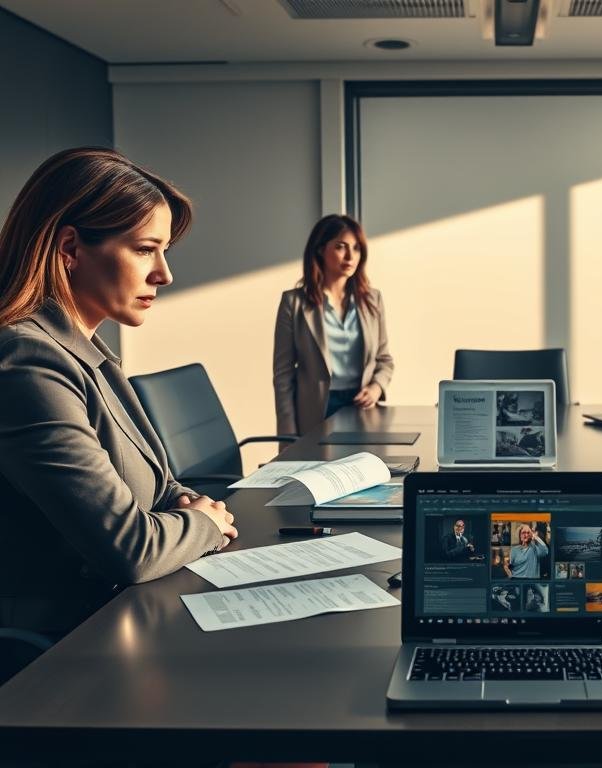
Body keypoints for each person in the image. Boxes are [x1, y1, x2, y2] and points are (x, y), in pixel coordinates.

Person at [0, 148, 238, 638]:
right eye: (145, 249)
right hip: (68, 652)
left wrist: (191, 506)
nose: (164, 274)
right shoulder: (27, 362)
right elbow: (131, 549)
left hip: (130, 619)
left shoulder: (85, 349)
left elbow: (164, 485)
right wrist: (207, 525)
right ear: (69, 248)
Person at [273, 214, 394, 436]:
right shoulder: (294, 303)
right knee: (321, 470)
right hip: (317, 411)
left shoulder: (372, 300)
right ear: (320, 249)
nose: (350, 256)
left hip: (363, 408)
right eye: (341, 247)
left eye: (357, 248)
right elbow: (283, 376)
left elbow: (384, 360)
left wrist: (376, 388)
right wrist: (287, 434)